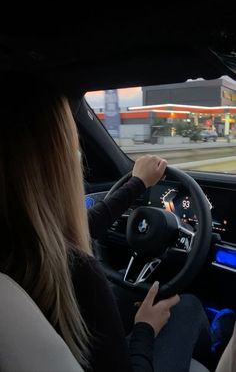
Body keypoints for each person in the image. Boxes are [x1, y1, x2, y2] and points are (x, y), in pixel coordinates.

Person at [0, 72, 211, 372]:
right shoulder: (79, 275)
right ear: (56, 165)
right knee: (187, 307)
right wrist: (144, 329)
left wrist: (137, 183)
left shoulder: (20, 248)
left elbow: (80, 228)